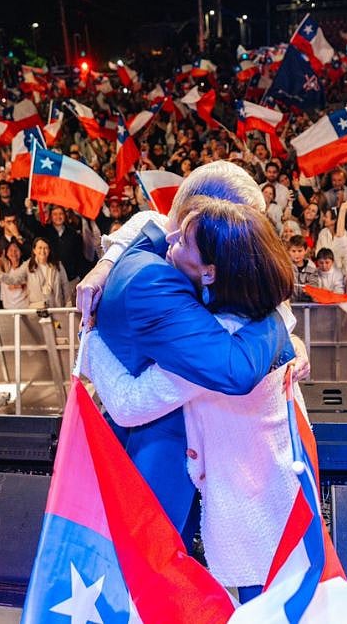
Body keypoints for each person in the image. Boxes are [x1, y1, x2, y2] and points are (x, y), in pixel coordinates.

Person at [79, 196, 298, 599]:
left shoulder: (216, 334)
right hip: (229, 475)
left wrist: (90, 347)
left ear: (211, 272)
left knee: (255, 590)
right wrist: (104, 263)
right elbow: (151, 220)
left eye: (185, 243)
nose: (172, 238)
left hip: (250, 487)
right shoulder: (238, 300)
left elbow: (130, 403)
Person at [288, 235, 319, 301]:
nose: (296, 254)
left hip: (307, 307)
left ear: (305, 251)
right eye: (293, 251)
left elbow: (314, 287)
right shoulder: (285, 268)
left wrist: (310, 291)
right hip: (289, 307)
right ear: (288, 251)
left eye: (300, 251)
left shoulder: (312, 269)